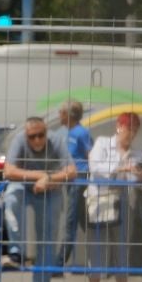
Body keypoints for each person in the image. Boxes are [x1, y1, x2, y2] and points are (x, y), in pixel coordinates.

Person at [3, 115, 76, 282]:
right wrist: (38, 176)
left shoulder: (56, 140)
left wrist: (49, 180)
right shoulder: (19, 139)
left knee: (47, 238)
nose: (37, 140)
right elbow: (8, 171)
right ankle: (16, 251)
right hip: (25, 186)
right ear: (26, 135)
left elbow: (72, 170)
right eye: (32, 136)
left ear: (46, 132)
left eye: (40, 135)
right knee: (11, 197)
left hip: (49, 190)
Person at [82, 111, 142, 282]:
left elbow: (133, 179)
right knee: (96, 248)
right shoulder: (101, 143)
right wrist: (120, 167)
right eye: (128, 127)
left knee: (122, 250)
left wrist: (137, 174)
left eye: (135, 129)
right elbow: (96, 168)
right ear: (119, 126)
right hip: (99, 200)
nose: (131, 133)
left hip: (123, 201)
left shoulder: (137, 152)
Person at [58, 102, 93, 264]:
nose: (59, 114)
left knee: (71, 221)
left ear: (69, 115)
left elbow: (90, 155)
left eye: (62, 112)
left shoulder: (81, 133)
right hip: (69, 181)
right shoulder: (65, 132)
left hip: (79, 182)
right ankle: (100, 257)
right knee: (84, 221)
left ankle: (60, 261)